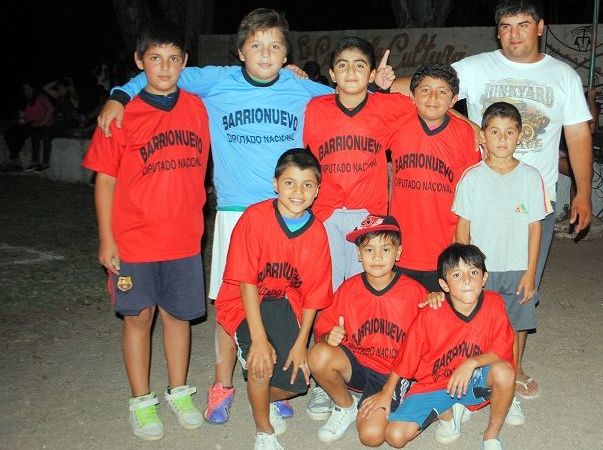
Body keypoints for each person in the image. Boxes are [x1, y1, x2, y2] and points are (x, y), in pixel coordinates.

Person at [97, 8, 337, 424]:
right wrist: (119, 94)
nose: (266, 54)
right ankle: (222, 384)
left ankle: (276, 381)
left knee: (283, 299)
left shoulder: (302, 88)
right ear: (240, 51)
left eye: (275, 46)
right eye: (257, 45)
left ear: (287, 54)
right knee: (231, 305)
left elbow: (349, 96)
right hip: (233, 213)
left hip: (287, 213)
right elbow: (157, 71)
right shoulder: (214, 80)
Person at [444, 0, 594, 399]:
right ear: (497, 31)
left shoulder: (562, 75)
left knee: (524, 288)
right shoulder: (476, 67)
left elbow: (578, 135)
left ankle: (512, 365)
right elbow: (428, 89)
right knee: (476, 285)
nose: (514, 33)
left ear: (540, 27)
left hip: (532, 203)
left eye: (523, 25)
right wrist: (466, 122)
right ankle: (471, 361)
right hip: (484, 201)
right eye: (506, 26)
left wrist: (583, 192)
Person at [81, 20, 210, 441]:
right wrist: (107, 237)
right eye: (155, 58)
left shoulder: (197, 107)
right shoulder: (121, 114)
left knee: (178, 318)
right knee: (139, 317)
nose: (165, 67)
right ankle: (141, 400)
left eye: (174, 59)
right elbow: (105, 179)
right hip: (135, 238)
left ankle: (179, 391)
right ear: (140, 63)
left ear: (185, 63)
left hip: (184, 238)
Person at [213, 148, 333, 450]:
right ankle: (263, 433)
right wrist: (259, 340)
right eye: (289, 182)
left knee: (298, 381)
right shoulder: (255, 218)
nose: (298, 191)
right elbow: (246, 282)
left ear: (317, 190)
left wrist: (300, 345)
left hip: (283, 301)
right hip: (243, 302)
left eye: (307, 184)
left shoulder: (317, 232)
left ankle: (262, 398)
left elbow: (313, 296)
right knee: (261, 363)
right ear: (275, 184)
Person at [452, 101, 552, 425]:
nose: (502, 139)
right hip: (481, 272)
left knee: (514, 328)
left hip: (517, 269)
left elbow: (535, 226)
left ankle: (507, 390)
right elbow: (462, 227)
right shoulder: (472, 178)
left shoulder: (530, 177)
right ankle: (471, 391)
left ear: (519, 136)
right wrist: (463, 274)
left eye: (509, 132)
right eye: (494, 132)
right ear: (483, 136)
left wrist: (531, 272)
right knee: (475, 328)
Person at [360, 243, 515, 450]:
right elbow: (408, 356)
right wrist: (387, 392)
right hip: (436, 382)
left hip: (473, 376)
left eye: (474, 272)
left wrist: (472, 362)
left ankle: (491, 435)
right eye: (457, 275)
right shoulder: (431, 312)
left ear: (484, 278)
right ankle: (448, 412)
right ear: (444, 284)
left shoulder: (494, 303)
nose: (467, 280)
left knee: (505, 372)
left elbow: (503, 348)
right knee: (395, 437)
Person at [307, 214, 427, 444]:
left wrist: (388, 390)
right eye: (369, 250)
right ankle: (345, 406)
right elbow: (323, 331)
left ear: (398, 253)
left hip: (394, 373)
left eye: (385, 249)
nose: (377, 257)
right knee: (318, 354)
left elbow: (427, 344)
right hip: (359, 367)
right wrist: (327, 337)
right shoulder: (348, 288)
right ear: (358, 255)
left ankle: (426, 404)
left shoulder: (414, 292)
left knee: (371, 437)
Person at [304, 37, 411, 291]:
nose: (351, 72)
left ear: (372, 73)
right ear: (331, 73)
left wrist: (472, 127)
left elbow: (429, 98)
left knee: (361, 287)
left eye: (360, 65)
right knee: (324, 288)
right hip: (325, 212)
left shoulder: (387, 107)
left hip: (367, 213)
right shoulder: (314, 109)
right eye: (342, 65)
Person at [387, 63, 481, 292]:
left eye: (442, 91)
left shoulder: (466, 134)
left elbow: (471, 196)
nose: (432, 97)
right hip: (400, 246)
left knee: (440, 318)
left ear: (454, 100)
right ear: (412, 95)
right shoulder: (397, 123)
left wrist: (462, 245)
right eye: (425, 90)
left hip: (443, 246)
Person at [1, 83, 53, 172]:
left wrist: (42, 123)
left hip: (36, 124)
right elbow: (28, 115)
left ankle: (14, 160)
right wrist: (23, 116)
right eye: (25, 90)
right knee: (9, 132)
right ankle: (15, 159)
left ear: (34, 89)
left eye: (29, 89)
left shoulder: (41, 97)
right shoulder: (29, 101)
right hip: (28, 123)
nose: (27, 92)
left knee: (19, 134)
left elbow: (51, 109)